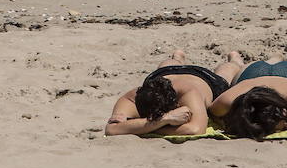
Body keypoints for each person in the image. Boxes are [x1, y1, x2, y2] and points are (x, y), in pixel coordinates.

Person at [105, 49, 246, 137]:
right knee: (168, 66)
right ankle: (177, 56)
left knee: (226, 72)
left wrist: (141, 127)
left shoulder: (188, 94)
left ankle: (235, 59)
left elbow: (196, 129)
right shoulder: (133, 97)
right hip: (163, 75)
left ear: (177, 104)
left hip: (205, 81)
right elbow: (111, 129)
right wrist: (165, 120)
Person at [207, 43, 287, 139]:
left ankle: (236, 60)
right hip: (265, 74)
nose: (286, 126)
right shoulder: (228, 100)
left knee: (221, 79)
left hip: (259, 73)